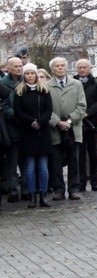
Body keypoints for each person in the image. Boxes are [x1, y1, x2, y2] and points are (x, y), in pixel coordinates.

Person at [13, 62, 52, 208]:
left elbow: (49, 109)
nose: (30, 76)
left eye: (32, 73)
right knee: (29, 166)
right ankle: (31, 195)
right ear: (24, 75)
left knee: (43, 165)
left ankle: (43, 194)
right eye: (27, 73)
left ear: (36, 75)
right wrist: (31, 122)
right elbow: (18, 111)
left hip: (43, 132)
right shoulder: (20, 91)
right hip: (27, 132)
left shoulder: (44, 90)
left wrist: (40, 122)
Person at [48, 56, 86, 202]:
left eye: (62, 65)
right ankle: (58, 190)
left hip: (73, 127)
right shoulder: (46, 85)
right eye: (57, 66)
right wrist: (58, 122)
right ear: (52, 69)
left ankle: (74, 189)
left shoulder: (76, 84)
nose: (60, 68)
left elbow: (82, 106)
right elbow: (45, 108)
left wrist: (69, 120)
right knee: (56, 161)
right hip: (55, 129)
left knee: (74, 161)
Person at [74, 59, 97, 192]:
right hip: (77, 123)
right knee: (79, 155)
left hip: (92, 123)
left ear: (89, 68)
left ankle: (95, 182)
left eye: (84, 67)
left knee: (94, 155)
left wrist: (87, 113)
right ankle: (81, 182)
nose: (82, 70)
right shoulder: (73, 83)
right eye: (79, 67)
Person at [1, 56, 23, 203]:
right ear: (8, 68)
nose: (19, 68)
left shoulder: (27, 81)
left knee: (27, 162)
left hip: (27, 128)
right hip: (11, 128)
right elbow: (3, 106)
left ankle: (28, 190)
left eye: (20, 65)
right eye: (15, 66)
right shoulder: (3, 84)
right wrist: (18, 116)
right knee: (12, 163)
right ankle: (13, 190)